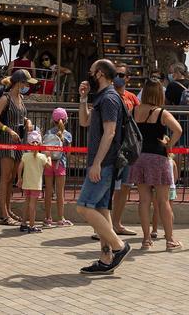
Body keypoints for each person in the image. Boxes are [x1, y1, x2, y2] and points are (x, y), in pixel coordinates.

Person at [76, 59, 132, 274]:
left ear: (99, 73)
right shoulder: (102, 97)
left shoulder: (109, 98)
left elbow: (110, 133)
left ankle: (118, 246)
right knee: (101, 208)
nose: (89, 74)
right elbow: (84, 122)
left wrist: (97, 163)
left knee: (83, 206)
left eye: (91, 71)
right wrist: (83, 98)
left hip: (104, 161)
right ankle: (106, 256)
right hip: (102, 161)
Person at [129, 80, 182, 250]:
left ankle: (146, 240)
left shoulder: (134, 110)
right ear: (159, 93)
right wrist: (169, 145)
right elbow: (178, 130)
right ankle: (170, 240)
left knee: (144, 201)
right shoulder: (162, 113)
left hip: (139, 157)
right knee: (163, 201)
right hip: (158, 157)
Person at [0, 69, 32, 225]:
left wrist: (28, 122)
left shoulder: (20, 98)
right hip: (7, 139)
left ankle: (8, 209)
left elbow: (22, 115)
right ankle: (4, 213)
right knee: (5, 178)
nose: (27, 86)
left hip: (19, 141)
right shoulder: (5, 98)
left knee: (12, 179)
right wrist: (8, 129)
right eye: (26, 83)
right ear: (19, 82)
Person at [108, 62, 138, 235]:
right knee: (109, 187)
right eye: (115, 75)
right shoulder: (108, 96)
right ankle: (105, 225)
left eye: (120, 75)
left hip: (126, 147)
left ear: (127, 78)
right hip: (112, 145)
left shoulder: (132, 98)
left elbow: (138, 119)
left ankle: (116, 223)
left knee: (125, 186)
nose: (117, 78)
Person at [43, 107, 73, 227]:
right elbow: (69, 152)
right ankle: (60, 218)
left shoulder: (48, 133)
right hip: (60, 164)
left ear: (52, 120)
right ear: (65, 120)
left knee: (48, 191)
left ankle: (47, 218)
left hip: (48, 163)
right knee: (60, 193)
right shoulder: (68, 135)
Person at [16, 130, 50, 233]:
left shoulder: (25, 156)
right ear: (39, 143)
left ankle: (23, 224)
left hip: (26, 183)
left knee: (26, 203)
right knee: (32, 205)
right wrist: (49, 157)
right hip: (36, 185)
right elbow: (49, 167)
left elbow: (20, 167)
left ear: (28, 143)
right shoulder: (42, 157)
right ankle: (32, 225)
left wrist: (19, 178)